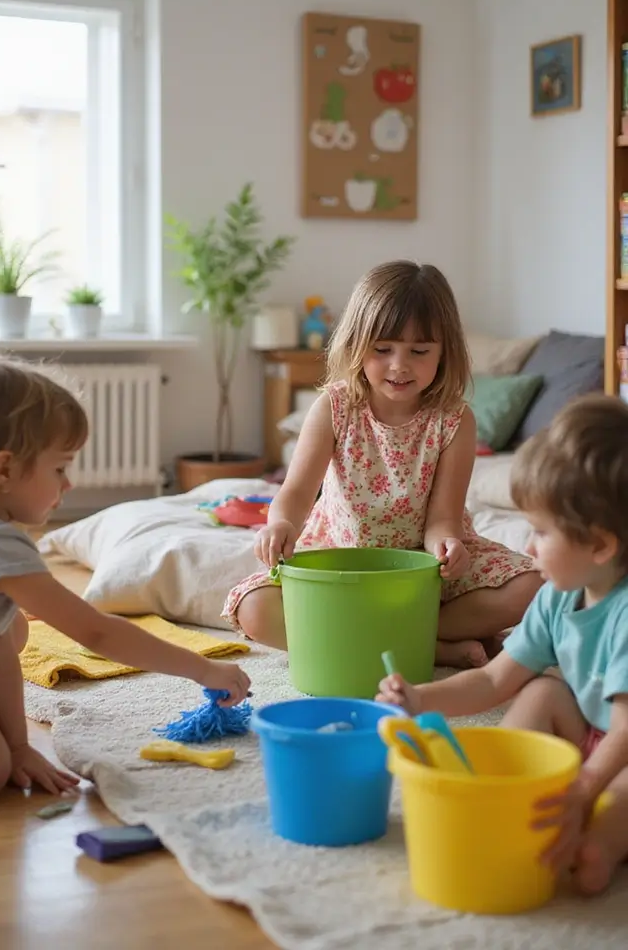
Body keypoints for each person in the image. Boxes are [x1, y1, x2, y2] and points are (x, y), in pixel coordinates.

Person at [0, 353, 250, 803]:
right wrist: (203, 669)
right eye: (60, 468)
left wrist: (19, 744)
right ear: (4, 469)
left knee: (11, 628)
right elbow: (96, 631)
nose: (68, 485)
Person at [222, 260, 540, 667]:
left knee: (534, 585)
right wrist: (281, 524)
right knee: (255, 609)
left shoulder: (454, 421)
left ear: (444, 353)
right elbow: (296, 494)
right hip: (341, 564)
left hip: (423, 576)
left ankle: (372, 640)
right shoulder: (334, 407)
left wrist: (447, 545)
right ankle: (427, 647)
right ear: (357, 345)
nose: (399, 365)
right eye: (383, 349)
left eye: (419, 351)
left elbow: (443, 517)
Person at [378, 394, 628, 896]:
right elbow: (495, 680)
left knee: (620, 797)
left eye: (540, 531)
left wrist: (586, 786)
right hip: (597, 734)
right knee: (540, 692)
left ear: (600, 545)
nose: (528, 547)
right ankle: (506, 795)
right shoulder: (559, 597)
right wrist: (423, 698)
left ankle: (598, 844)